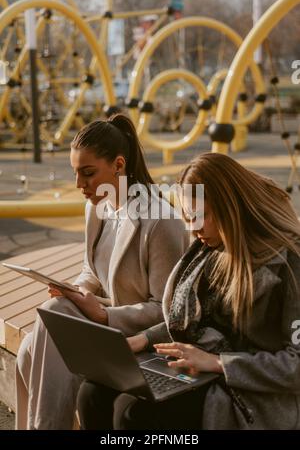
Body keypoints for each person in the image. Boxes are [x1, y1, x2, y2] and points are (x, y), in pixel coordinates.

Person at [77, 152, 300, 430]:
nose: (193, 230)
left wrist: (219, 363)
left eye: (199, 216)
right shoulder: (210, 250)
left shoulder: (289, 263)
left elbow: (295, 365)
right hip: (202, 368)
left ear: (231, 208)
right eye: (186, 216)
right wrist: (143, 340)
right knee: (93, 391)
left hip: (250, 393)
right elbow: (194, 320)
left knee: (132, 414)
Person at [15, 114, 188, 430]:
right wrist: (79, 290)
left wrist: (104, 316)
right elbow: (90, 270)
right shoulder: (96, 208)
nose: (79, 185)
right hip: (103, 325)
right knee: (34, 339)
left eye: (88, 173)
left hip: (138, 339)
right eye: (75, 173)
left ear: (119, 166)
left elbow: (168, 313)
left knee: (47, 329)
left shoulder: (161, 222)